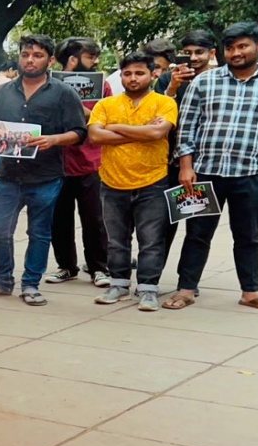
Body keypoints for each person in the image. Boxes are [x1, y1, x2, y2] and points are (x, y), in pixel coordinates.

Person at [165, 22, 258, 312]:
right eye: (230, 47)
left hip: (250, 175)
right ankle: (186, 288)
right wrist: (186, 167)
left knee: (248, 236)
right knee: (197, 233)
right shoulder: (204, 82)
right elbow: (187, 129)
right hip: (203, 173)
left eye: (242, 46)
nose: (236, 53)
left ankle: (250, 292)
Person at [0, 35, 87, 306]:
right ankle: (2, 280)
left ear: (51, 60)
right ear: (19, 57)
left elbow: (80, 132)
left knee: (40, 232)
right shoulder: (2, 92)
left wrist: (54, 140)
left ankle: (31, 284)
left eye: (38, 55)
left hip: (46, 176)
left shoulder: (64, 93)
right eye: (26, 54)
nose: (30, 60)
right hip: (8, 175)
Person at [86, 52, 178, 312]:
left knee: (151, 240)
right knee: (116, 240)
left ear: (153, 74)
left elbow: (158, 132)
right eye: (128, 73)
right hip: (112, 181)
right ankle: (118, 284)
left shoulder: (164, 102)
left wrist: (115, 128)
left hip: (153, 181)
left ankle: (148, 289)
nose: (133, 78)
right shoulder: (106, 105)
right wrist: (142, 133)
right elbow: (95, 136)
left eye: (139, 73)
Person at [45, 37, 111, 289]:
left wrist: (77, 105)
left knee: (94, 219)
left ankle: (98, 267)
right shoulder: (48, 85)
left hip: (90, 162)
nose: (95, 61)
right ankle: (66, 266)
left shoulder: (102, 86)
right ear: (71, 59)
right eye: (89, 56)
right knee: (59, 219)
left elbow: (103, 118)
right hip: (57, 162)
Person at [161, 30, 219, 258]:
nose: (193, 58)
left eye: (199, 52)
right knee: (164, 223)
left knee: (199, 227)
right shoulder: (169, 79)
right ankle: (151, 278)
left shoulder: (218, 81)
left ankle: (188, 280)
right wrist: (173, 88)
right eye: (187, 53)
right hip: (172, 161)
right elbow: (157, 115)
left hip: (206, 163)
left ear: (212, 53)